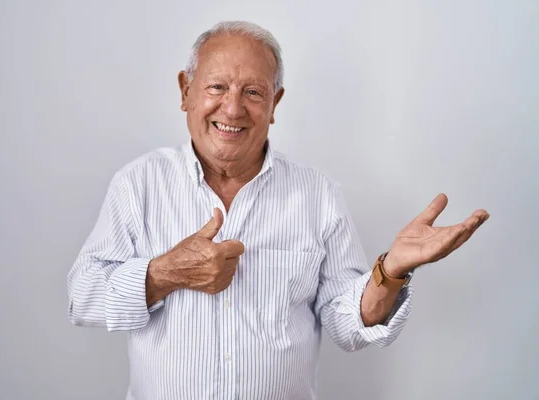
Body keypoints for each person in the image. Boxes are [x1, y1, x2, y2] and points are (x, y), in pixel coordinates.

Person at [66, 20, 489, 400]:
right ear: (185, 91)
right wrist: (165, 273)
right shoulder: (138, 183)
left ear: (275, 103)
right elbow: (82, 298)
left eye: (253, 92)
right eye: (217, 87)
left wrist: (391, 270)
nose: (232, 109)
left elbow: (348, 325)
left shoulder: (317, 195)